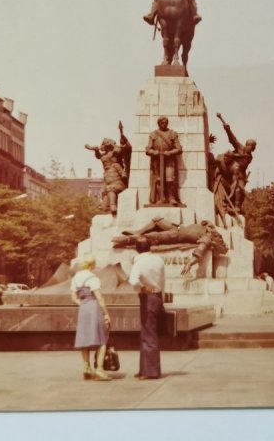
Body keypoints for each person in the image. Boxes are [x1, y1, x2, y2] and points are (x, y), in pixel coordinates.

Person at [112, 217, 227, 277]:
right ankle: (137, 232)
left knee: (151, 237)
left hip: (175, 236)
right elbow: (205, 223)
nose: (212, 228)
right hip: (175, 227)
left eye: (216, 233)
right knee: (157, 219)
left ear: (215, 237)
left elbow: (199, 251)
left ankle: (128, 239)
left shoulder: (206, 237)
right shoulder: (203, 227)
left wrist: (189, 263)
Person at [128, 237, 166, 380]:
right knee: (147, 333)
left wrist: (142, 288)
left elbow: (133, 280)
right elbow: (163, 280)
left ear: (136, 248)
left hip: (147, 297)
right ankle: (144, 368)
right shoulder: (158, 260)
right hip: (157, 296)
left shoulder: (139, 261)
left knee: (148, 334)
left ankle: (151, 371)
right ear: (149, 246)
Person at [70, 254, 112, 382]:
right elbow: (99, 297)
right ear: (92, 265)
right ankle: (99, 369)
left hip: (83, 308)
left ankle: (87, 368)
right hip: (94, 307)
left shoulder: (76, 277)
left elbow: (73, 297)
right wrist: (106, 313)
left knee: (84, 339)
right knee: (102, 339)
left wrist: (83, 304)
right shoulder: (93, 278)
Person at [211, 113, 257, 216]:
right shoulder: (240, 148)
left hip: (239, 173)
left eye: (253, 147)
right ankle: (230, 204)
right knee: (237, 188)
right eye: (250, 146)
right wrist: (227, 129)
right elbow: (233, 139)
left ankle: (237, 207)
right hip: (229, 168)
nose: (251, 148)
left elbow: (242, 168)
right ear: (247, 145)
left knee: (240, 190)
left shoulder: (250, 157)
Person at [85, 122, 132, 215]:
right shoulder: (104, 156)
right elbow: (99, 156)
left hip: (118, 181)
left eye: (105, 144)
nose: (103, 146)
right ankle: (106, 208)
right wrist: (95, 150)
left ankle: (113, 205)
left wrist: (121, 134)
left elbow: (123, 148)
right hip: (108, 180)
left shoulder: (115, 156)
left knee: (111, 189)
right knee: (105, 193)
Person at [146, 117, 183, 206]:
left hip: (169, 159)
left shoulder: (172, 133)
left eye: (166, 122)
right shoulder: (153, 134)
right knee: (158, 179)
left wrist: (170, 152)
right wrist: (154, 152)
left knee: (170, 179)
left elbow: (179, 149)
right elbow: (148, 149)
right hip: (157, 160)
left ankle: (171, 197)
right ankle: (161, 197)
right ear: (159, 123)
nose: (164, 124)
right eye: (162, 122)